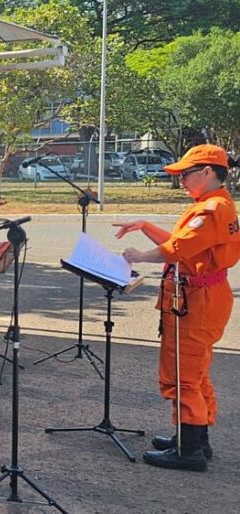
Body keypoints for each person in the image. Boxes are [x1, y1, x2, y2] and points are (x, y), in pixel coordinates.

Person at [115, 144, 240, 471]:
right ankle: (194, 436)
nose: (181, 180)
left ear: (207, 172)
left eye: (185, 174)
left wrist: (140, 256)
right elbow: (182, 244)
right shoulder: (215, 204)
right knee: (195, 372)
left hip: (196, 301)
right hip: (202, 296)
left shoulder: (210, 210)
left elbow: (177, 248)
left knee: (183, 375)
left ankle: (189, 450)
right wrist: (145, 225)